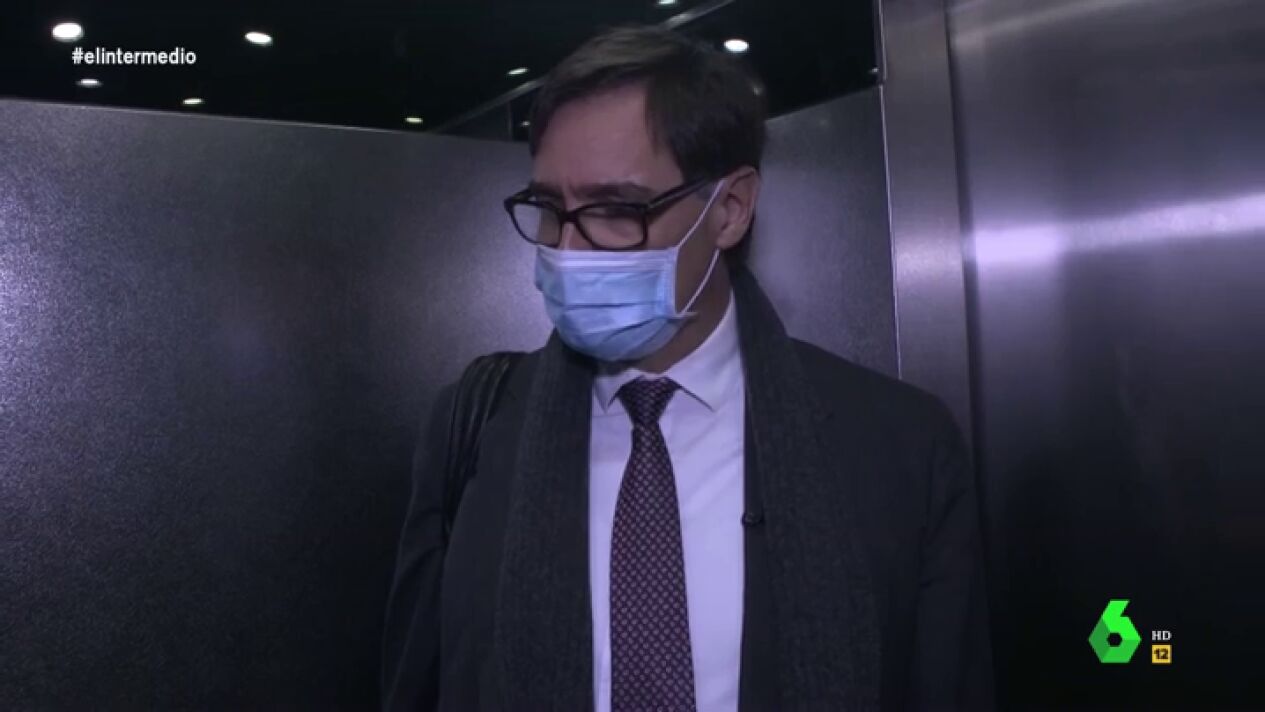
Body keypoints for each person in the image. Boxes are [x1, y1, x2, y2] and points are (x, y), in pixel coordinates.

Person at [381, 24, 993, 712]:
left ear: (729, 210)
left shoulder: (900, 447)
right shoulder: (476, 428)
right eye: (549, 208)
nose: (568, 250)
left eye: (616, 209)